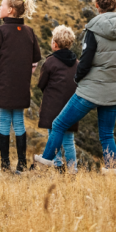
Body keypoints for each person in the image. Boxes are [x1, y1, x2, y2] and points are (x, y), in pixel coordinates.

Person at [34, 0, 116, 175]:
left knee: (58, 124)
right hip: (114, 89)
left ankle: (47, 159)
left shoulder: (94, 28)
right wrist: (115, 75)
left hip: (90, 89)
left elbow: (85, 63)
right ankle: (111, 169)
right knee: (107, 134)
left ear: (97, 4)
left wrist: (78, 79)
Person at [0, 0, 41, 172]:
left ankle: (5, 164)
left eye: (2, 5)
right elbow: (34, 62)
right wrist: (23, 76)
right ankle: (21, 164)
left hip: (3, 86)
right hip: (21, 86)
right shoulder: (29, 32)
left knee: (4, 121)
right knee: (20, 122)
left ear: (11, 10)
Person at [37, 25, 80, 173]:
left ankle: (56, 164)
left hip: (52, 107)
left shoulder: (50, 62)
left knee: (53, 135)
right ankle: (72, 169)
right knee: (69, 140)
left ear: (55, 44)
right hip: (72, 107)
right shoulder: (77, 64)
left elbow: (41, 84)